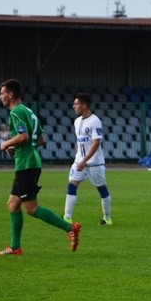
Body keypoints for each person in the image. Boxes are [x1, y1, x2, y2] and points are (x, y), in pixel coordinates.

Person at [0, 79, 81, 256]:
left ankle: (70, 228)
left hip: (26, 165)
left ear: (10, 94)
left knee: (31, 208)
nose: (0, 96)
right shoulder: (28, 111)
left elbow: (24, 136)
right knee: (13, 205)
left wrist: (6, 144)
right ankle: (15, 247)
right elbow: (40, 140)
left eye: (2, 93)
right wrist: (17, 148)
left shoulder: (16, 112)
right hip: (29, 162)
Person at [63, 93, 112, 226]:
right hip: (79, 161)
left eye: (76, 104)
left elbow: (96, 143)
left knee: (101, 188)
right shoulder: (77, 121)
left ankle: (107, 218)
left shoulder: (95, 121)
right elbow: (79, 141)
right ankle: (67, 218)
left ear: (84, 106)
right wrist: (78, 157)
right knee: (72, 184)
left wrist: (84, 160)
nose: (74, 106)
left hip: (94, 163)